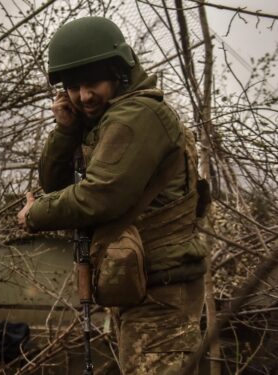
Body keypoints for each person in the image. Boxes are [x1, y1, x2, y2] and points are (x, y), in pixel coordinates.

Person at [17, 17, 208, 374]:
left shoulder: (137, 116)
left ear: (118, 72)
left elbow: (99, 196)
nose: (84, 96)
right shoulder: (107, 121)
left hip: (163, 291)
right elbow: (55, 186)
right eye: (73, 86)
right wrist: (66, 130)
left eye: (93, 83)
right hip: (143, 287)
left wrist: (37, 214)